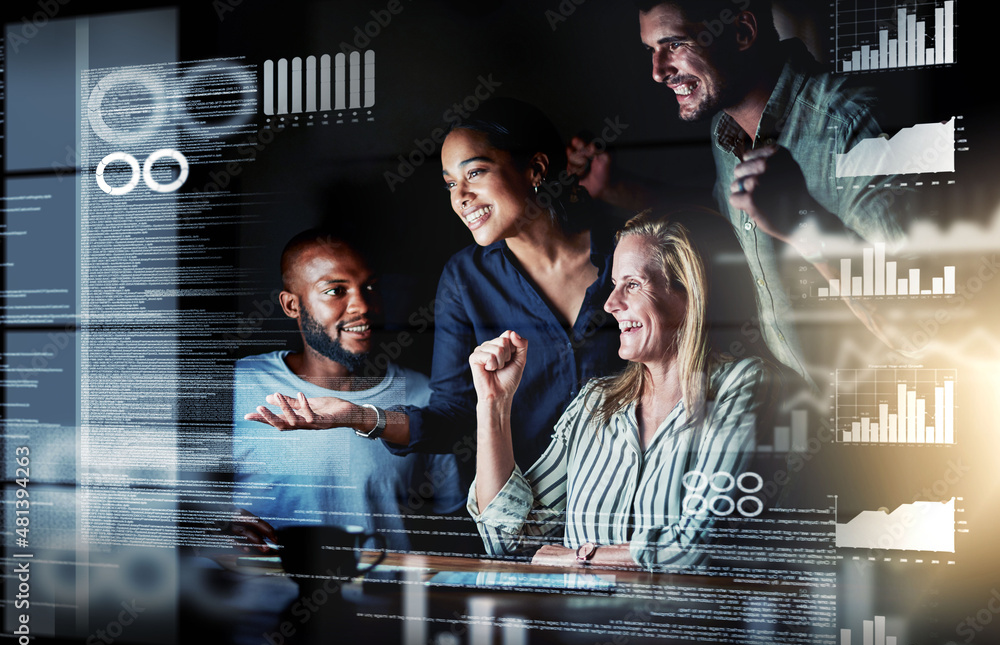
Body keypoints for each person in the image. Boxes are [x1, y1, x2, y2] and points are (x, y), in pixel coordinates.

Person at [247, 99, 624, 475]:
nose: (460, 197)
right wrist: (360, 416)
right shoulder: (464, 279)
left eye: (474, 173)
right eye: (449, 184)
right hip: (534, 516)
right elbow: (454, 417)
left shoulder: (625, 250)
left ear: (535, 168)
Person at [573, 1, 909, 386]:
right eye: (652, 50)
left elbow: (922, 317)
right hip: (808, 407)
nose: (658, 71)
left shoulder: (854, 122)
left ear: (742, 33)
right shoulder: (726, 130)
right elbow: (728, 222)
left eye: (675, 44)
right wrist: (618, 190)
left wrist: (803, 223)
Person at [466, 212, 781, 570]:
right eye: (615, 284)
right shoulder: (594, 403)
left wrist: (578, 558)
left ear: (687, 293)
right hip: (580, 626)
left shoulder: (742, 384)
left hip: (678, 626)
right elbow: (509, 539)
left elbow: (694, 548)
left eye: (632, 284)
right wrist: (493, 404)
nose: (610, 303)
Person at [230, 227, 465, 554]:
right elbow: (162, 487)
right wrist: (211, 517)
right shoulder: (238, 384)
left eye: (370, 287)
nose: (362, 306)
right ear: (291, 305)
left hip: (382, 600)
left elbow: (448, 522)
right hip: (263, 600)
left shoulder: (424, 396)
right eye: (335, 290)